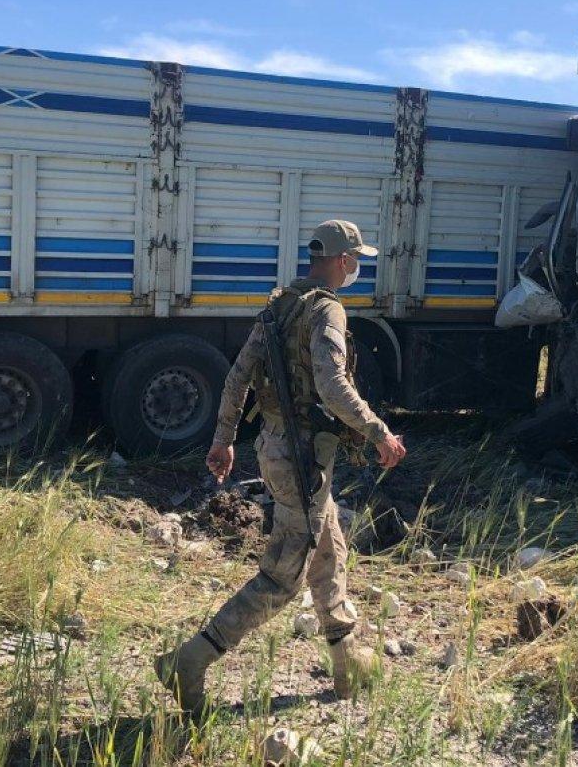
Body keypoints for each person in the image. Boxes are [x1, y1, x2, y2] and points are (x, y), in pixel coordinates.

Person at [156, 219, 407, 716]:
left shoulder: (280, 307)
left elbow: (236, 378)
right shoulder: (328, 310)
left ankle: (347, 667)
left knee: (328, 551)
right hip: (303, 456)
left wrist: (225, 442)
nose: (356, 267)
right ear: (340, 261)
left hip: (275, 447)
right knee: (284, 576)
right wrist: (379, 431)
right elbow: (332, 384)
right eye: (354, 258)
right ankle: (190, 660)